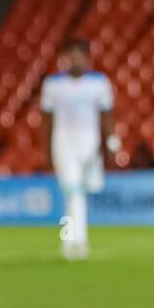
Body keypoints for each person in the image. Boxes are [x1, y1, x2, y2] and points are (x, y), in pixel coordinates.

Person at [39, 39, 116, 260]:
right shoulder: (53, 85)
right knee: (72, 192)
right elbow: (47, 119)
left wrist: (110, 142)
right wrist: (46, 151)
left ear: (87, 59)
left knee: (82, 191)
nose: (75, 60)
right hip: (63, 142)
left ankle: (74, 239)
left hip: (89, 143)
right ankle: (74, 240)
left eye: (79, 55)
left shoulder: (99, 83)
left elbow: (106, 115)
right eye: (71, 56)